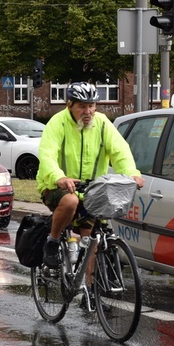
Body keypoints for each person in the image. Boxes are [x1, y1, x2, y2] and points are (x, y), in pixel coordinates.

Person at [36, 81, 145, 268]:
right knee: (70, 201)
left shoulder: (103, 124)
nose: (88, 112)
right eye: (82, 106)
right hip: (57, 186)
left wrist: (131, 174)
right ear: (69, 105)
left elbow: (120, 152)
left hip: (91, 192)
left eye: (91, 106)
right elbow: (47, 154)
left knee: (90, 241)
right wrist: (59, 177)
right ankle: (53, 242)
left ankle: (86, 289)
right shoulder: (58, 122)